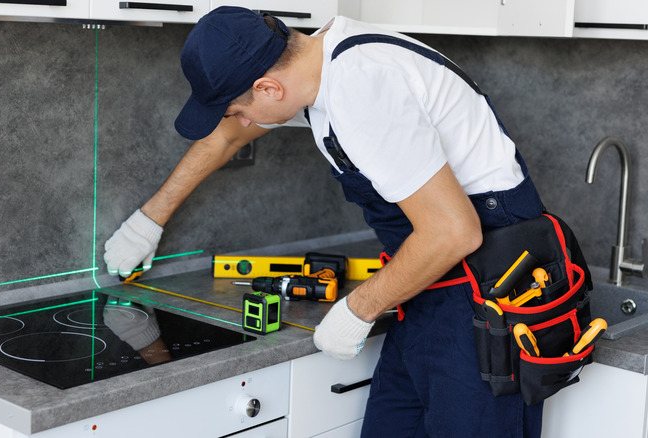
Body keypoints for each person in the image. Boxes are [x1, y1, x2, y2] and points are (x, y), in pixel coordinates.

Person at [104, 6, 545, 437]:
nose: (241, 121)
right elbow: (230, 135)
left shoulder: (361, 89)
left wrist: (358, 310)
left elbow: (454, 232)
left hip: (486, 294)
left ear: (269, 88)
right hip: (432, 285)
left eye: (240, 108)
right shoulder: (320, 60)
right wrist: (149, 220)